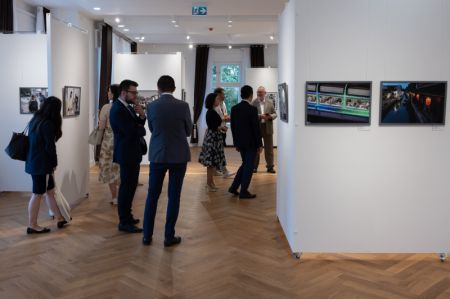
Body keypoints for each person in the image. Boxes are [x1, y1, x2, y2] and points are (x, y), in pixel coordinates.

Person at [142, 75, 192, 247]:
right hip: (179, 155)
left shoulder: (152, 106)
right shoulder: (183, 106)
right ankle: (168, 236)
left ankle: (147, 236)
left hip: (158, 154)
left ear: (158, 88)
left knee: (152, 196)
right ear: (174, 88)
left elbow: (152, 128)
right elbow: (188, 130)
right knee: (174, 196)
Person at [25, 96, 68, 234]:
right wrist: (54, 163)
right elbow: (50, 147)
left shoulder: (36, 120)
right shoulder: (47, 124)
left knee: (50, 191)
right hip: (41, 165)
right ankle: (32, 225)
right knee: (37, 194)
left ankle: (60, 218)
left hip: (34, 162)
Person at [109, 79, 146, 233]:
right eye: (134, 92)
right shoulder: (118, 109)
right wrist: (141, 130)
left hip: (131, 153)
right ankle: (124, 222)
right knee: (126, 188)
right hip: (126, 154)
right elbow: (132, 132)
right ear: (124, 93)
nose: (136, 95)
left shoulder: (127, 107)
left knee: (130, 187)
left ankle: (128, 216)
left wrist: (142, 115)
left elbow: (138, 124)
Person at [228, 85, 262, 199]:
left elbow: (233, 128)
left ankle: (233, 187)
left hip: (240, 143)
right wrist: (260, 145)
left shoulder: (234, 108)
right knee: (249, 165)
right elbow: (255, 129)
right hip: (251, 143)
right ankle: (243, 191)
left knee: (245, 164)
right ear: (251, 95)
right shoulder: (252, 109)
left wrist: (236, 143)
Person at [199, 93, 227, 191]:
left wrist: (221, 128)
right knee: (210, 163)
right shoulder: (210, 112)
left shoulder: (212, 111)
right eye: (216, 99)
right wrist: (222, 127)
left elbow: (214, 125)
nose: (218, 101)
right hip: (212, 138)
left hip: (214, 137)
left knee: (212, 163)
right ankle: (209, 183)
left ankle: (211, 183)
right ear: (212, 101)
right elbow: (213, 126)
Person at [98, 84, 121, 205]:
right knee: (121, 168)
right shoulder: (124, 107)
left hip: (109, 140)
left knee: (110, 168)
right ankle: (122, 196)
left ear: (113, 93)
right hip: (122, 140)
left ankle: (115, 197)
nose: (107, 93)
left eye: (109, 91)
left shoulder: (106, 107)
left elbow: (101, 126)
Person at [251, 86, 277, 173]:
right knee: (256, 148)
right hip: (257, 128)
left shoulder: (270, 102)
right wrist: (259, 116)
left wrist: (270, 117)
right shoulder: (253, 103)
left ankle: (270, 167)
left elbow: (275, 114)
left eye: (261, 92)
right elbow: (250, 115)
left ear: (265, 93)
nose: (259, 94)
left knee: (269, 148)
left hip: (268, 127)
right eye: (258, 92)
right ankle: (254, 167)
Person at [213, 87, 235, 178]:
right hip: (218, 130)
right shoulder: (214, 106)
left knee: (219, 151)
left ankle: (217, 169)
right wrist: (225, 118)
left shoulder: (223, 103)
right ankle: (223, 170)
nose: (224, 96)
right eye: (223, 94)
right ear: (218, 95)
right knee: (219, 151)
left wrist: (226, 118)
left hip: (223, 129)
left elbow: (224, 114)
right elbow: (215, 119)